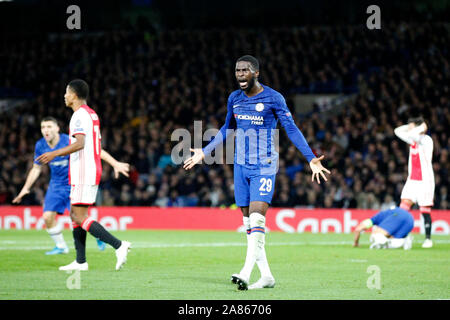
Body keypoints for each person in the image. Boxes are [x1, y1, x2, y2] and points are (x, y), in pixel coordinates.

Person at [183, 55, 330, 290]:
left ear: (256, 73)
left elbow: (291, 129)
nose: (240, 74)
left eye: (245, 70)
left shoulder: (274, 98)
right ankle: (267, 276)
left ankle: (245, 271)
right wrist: (205, 151)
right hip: (240, 166)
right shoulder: (234, 98)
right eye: (237, 70)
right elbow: (227, 128)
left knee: (257, 218)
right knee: (248, 224)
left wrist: (311, 158)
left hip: (264, 165)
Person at [36, 79, 131, 271]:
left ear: (74, 95)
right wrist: (114, 163)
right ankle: (81, 261)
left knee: (79, 217)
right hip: (87, 169)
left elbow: (79, 144)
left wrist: (54, 153)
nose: (64, 96)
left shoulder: (79, 116)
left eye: (66, 92)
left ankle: (119, 245)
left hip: (83, 171)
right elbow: (93, 146)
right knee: (75, 215)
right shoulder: (92, 114)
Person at [13, 117, 130, 254]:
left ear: (57, 128)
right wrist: (25, 188)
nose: (46, 130)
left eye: (49, 126)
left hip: (73, 183)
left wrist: (115, 163)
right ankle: (61, 247)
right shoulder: (40, 145)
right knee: (47, 217)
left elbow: (93, 150)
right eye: (43, 127)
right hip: (56, 185)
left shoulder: (68, 140)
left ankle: (99, 235)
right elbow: (36, 168)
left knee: (78, 218)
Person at [394, 117, 435, 248]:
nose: (409, 129)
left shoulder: (427, 140)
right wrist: (412, 126)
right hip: (412, 180)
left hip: (425, 181)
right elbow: (397, 131)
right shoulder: (413, 138)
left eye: (412, 126)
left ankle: (428, 239)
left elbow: (413, 134)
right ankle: (403, 236)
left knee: (424, 210)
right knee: (403, 208)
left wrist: (419, 128)